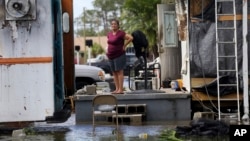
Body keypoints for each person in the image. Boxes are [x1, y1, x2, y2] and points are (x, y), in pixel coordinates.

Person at [106, 19, 133, 94]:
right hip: (111, 55)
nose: (113, 25)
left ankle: (121, 89)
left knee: (119, 71)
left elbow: (131, 38)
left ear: (118, 25)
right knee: (114, 72)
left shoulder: (121, 33)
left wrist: (124, 45)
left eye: (115, 24)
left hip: (119, 54)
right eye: (112, 24)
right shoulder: (109, 34)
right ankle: (117, 89)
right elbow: (109, 43)